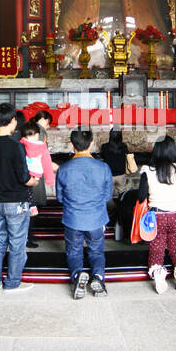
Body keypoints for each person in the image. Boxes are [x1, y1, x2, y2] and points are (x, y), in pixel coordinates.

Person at [0, 102, 38, 292]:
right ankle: (12, 283)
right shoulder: (15, 145)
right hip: (16, 202)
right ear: (13, 120)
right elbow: (23, 178)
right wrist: (34, 181)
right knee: (17, 244)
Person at [57, 128, 115, 298]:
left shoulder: (64, 169)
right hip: (96, 219)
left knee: (74, 251)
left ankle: (77, 276)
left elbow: (60, 198)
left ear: (72, 145)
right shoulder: (103, 168)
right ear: (91, 144)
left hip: (72, 220)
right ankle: (98, 276)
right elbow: (107, 196)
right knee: (96, 251)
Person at [143, 134, 176, 292]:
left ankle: (159, 276)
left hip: (156, 216)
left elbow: (140, 196)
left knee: (156, 249)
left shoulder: (149, 171)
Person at [23, 110, 56, 200]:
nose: (48, 126)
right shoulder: (40, 131)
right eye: (48, 122)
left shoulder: (30, 128)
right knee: (36, 196)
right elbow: (39, 151)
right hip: (35, 168)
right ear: (42, 119)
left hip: (28, 168)